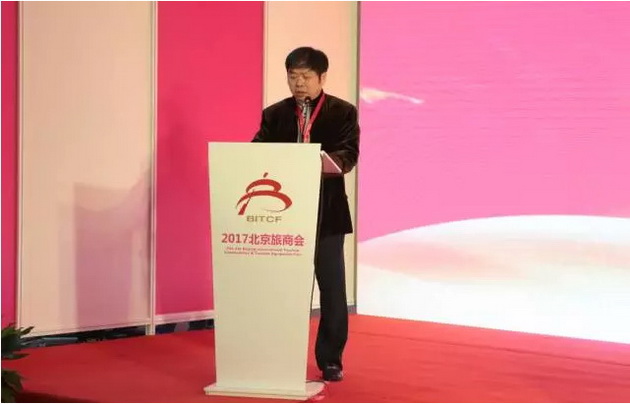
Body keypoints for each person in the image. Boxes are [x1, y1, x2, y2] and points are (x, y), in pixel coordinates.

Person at [252, 47, 359, 382]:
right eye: (292, 76)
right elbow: (256, 151)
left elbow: (349, 153)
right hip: (283, 212)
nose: (298, 83)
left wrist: (324, 162)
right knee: (282, 286)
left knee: (332, 287)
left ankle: (331, 359)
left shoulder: (343, 112)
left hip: (327, 212)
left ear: (322, 77)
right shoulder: (275, 114)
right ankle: (278, 353)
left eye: (306, 76)